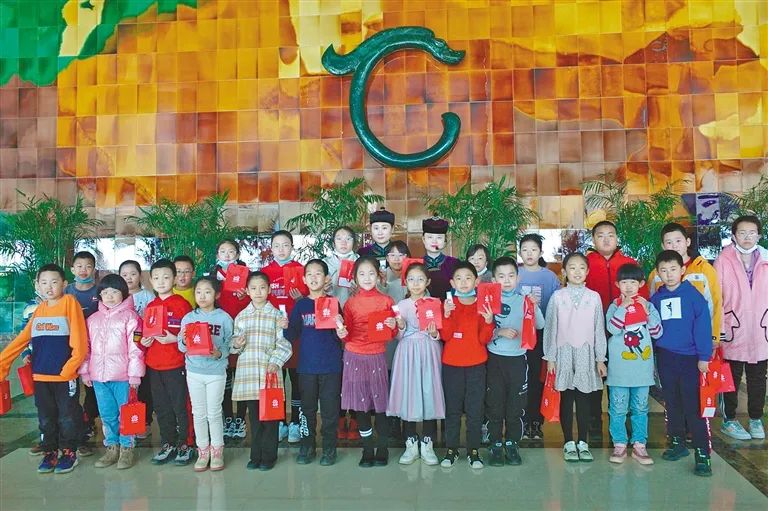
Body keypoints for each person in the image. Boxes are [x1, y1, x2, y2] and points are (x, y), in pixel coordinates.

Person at [0, 264, 87, 474]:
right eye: (44, 282)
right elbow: (22, 339)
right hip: (40, 376)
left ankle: (69, 453)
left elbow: (80, 340)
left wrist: (69, 369)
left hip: (64, 377)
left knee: (67, 416)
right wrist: (3, 364)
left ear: (64, 284)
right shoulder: (39, 309)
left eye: (54, 282)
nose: (49, 287)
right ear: (37, 285)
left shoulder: (69, 302)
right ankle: (50, 452)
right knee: (46, 417)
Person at [651, 250, 714, 477]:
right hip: (665, 357)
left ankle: (702, 453)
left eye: (673, 269)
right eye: (664, 270)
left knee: (693, 406)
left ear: (683, 270)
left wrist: (704, 356)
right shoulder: (655, 299)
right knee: (672, 402)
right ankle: (677, 443)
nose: (669, 274)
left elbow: (703, 327)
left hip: (690, 359)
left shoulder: (693, 296)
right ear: (658, 273)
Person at [585, 221, 648, 437]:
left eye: (610, 235)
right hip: (593, 332)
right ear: (593, 239)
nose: (606, 239)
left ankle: (621, 422)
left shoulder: (629, 263)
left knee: (622, 378)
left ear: (617, 238)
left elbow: (642, 299)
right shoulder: (586, 264)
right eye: (600, 235)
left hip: (625, 336)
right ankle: (594, 421)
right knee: (595, 378)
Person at [543, 252, 607, 463]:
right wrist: (550, 357)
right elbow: (550, 327)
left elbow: (599, 328)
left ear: (587, 271)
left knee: (584, 399)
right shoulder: (557, 297)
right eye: (572, 267)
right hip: (563, 352)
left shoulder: (594, 297)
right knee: (566, 398)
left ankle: (583, 442)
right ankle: (568, 442)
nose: (577, 272)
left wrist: (600, 358)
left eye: (581, 268)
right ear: (564, 272)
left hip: (586, 353)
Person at [284, 260, 346, 466]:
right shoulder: (301, 305)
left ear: (326, 278)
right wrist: (284, 326)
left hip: (331, 366)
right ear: (304, 279)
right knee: (307, 409)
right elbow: (291, 334)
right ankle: (307, 446)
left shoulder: (333, 303)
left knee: (330, 410)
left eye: (318, 273)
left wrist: (340, 328)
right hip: (306, 367)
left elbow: (340, 336)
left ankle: (329, 448)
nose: (313, 277)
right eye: (309, 274)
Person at [80, 274, 144, 470]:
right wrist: (85, 372)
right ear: (99, 295)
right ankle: (112, 447)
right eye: (105, 292)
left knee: (126, 414)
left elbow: (136, 348)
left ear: (123, 294)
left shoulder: (131, 318)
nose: (109, 296)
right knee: (107, 414)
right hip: (99, 377)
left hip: (123, 377)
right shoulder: (92, 320)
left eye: (114, 292)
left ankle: (126, 448)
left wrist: (134, 375)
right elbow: (86, 348)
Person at [231, 271, 292, 471]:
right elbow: (234, 345)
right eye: (253, 288)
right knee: (255, 418)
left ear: (269, 290)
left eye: (262, 288)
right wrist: (236, 344)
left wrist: (276, 362)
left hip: (269, 375)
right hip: (249, 374)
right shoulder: (241, 316)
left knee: (271, 418)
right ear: (247, 291)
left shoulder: (276, 316)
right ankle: (255, 455)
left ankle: (269, 456)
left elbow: (284, 344)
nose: (258, 292)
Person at [486, 256, 544, 467]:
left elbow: (540, 325)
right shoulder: (489, 301)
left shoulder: (524, 300)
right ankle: (495, 445)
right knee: (495, 405)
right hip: (494, 359)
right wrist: (498, 332)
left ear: (518, 278)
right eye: (501, 276)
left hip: (518, 360)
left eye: (511, 275)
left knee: (515, 406)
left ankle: (512, 444)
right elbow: (480, 332)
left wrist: (534, 306)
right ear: (494, 280)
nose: (507, 280)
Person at [714, 215, 767, 440]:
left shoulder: (765, 259)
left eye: (752, 232)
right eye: (742, 233)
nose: (747, 237)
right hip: (733, 327)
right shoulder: (723, 260)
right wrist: (718, 329)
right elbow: (716, 297)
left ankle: (755, 418)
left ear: (759, 235)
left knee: (758, 378)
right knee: (730, 378)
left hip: (761, 328)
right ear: (734, 236)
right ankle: (729, 420)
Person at [340, 256, 397, 467]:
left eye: (371, 273)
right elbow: (346, 335)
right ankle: (367, 449)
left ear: (379, 276)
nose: (367, 278)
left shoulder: (387, 301)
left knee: (380, 405)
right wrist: (341, 332)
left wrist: (393, 325)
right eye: (362, 274)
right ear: (355, 278)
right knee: (361, 406)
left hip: (377, 356)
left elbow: (391, 334)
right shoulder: (350, 303)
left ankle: (382, 448)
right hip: (354, 356)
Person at [439, 262, 495, 469]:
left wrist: (488, 321)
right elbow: (445, 336)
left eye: (468, 278)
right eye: (459, 279)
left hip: (476, 364)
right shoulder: (448, 304)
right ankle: (451, 449)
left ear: (477, 281)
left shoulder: (483, 305)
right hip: (452, 364)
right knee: (452, 409)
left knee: (475, 409)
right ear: (452, 282)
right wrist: (446, 315)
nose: (463, 282)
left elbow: (484, 339)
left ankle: (473, 450)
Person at [605, 264, 663, 465]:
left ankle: (640, 444)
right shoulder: (614, 306)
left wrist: (647, 311)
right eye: (624, 282)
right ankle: (619, 444)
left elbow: (657, 333)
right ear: (617, 284)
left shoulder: (648, 305)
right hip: (619, 370)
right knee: (618, 408)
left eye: (633, 282)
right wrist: (622, 308)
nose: (629, 286)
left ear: (641, 284)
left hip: (642, 370)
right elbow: (612, 329)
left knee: (640, 408)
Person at [388, 263, 445, 466]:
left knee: (429, 393)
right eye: (411, 279)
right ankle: (410, 443)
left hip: (429, 350)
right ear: (406, 282)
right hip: (407, 352)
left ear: (427, 282)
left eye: (420, 279)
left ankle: (428, 443)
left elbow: (441, 332)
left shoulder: (435, 303)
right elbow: (397, 336)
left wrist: (435, 333)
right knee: (409, 394)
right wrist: (401, 327)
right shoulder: (401, 305)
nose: (415, 283)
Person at [140, 259, 194, 466]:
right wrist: (144, 341)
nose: (161, 281)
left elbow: (191, 336)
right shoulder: (151, 306)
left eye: (166, 277)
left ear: (174, 279)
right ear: (150, 281)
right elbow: (145, 334)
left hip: (176, 364)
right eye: (156, 278)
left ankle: (185, 444)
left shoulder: (182, 305)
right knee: (161, 407)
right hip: (154, 365)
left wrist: (175, 339)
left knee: (180, 406)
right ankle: (168, 443)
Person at [178, 277, 233, 472]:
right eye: (198, 292)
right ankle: (203, 451)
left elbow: (230, 343)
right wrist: (184, 340)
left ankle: (217, 451)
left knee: (214, 412)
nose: (202, 296)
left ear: (216, 295)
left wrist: (219, 353)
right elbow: (181, 346)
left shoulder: (224, 318)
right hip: (194, 371)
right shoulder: (189, 318)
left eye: (207, 292)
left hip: (216, 372)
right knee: (198, 413)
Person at [261, 230, 309, 444]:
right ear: (271, 248)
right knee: (276, 379)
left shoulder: (302, 270)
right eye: (277, 245)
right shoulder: (264, 273)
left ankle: (296, 422)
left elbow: (311, 300)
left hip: (297, 333)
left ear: (292, 247)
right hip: (272, 334)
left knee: (297, 379)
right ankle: (279, 421)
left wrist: (301, 299)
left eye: (286, 245)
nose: (281, 249)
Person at [515, 233, 561, 440]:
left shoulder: (549, 277)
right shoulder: (515, 274)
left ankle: (536, 422)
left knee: (537, 378)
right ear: (519, 252)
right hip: (518, 334)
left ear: (541, 252)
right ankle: (522, 421)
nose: (529, 253)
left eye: (533, 249)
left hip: (542, 334)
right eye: (525, 250)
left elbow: (556, 307)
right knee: (521, 379)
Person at [648, 223, 722, 348]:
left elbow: (714, 303)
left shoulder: (704, 269)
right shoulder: (656, 274)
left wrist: (713, 335)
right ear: (663, 246)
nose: (674, 245)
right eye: (669, 242)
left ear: (687, 242)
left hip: (697, 337)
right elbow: (650, 308)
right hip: (666, 339)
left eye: (678, 241)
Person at [210, 239, 251, 442]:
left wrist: (245, 296)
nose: (227, 255)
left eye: (231, 251)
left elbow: (256, 298)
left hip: (243, 330)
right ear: (217, 255)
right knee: (224, 378)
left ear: (238, 254)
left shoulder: (246, 273)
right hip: (220, 332)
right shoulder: (212, 275)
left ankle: (240, 419)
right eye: (223, 251)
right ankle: (227, 418)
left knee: (241, 378)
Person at [65, 250, 100, 448]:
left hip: (94, 348)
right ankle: (72, 426)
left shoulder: (100, 292)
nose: (83, 270)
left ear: (94, 269)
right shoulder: (66, 291)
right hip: (69, 347)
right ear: (72, 269)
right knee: (70, 389)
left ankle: (89, 421)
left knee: (91, 387)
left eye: (88, 266)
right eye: (79, 266)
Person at [119, 259, 156, 438]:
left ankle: (145, 421)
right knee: (126, 389)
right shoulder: (117, 296)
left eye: (133, 274)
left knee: (145, 387)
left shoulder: (148, 296)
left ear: (140, 276)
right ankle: (126, 422)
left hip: (145, 348)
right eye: (124, 275)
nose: (129, 278)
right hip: (123, 350)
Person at [422, 217, 459, 301]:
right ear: (423, 239)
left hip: (450, 305)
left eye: (439, 237)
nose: (434, 241)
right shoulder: (417, 264)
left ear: (445, 241)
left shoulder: (454, 263)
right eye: (430, 237)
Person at [323, 226, 359, 308]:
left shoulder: (360, 262)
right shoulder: (324, 263)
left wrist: (361, 290)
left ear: (354, 242)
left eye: (348, 239)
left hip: (355, 308)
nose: (343, 243)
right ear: (333, 243)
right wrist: (322, 289)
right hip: (330, 308)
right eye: (339, 239)